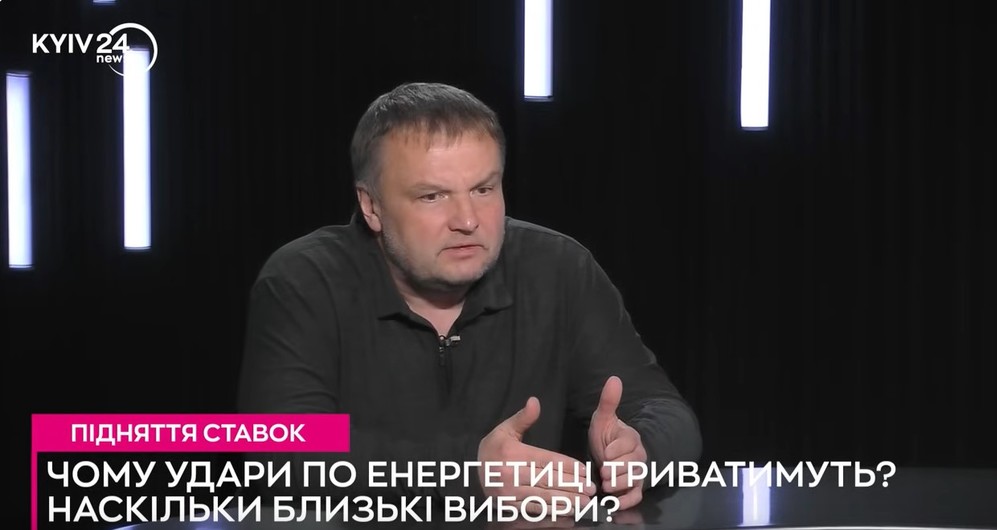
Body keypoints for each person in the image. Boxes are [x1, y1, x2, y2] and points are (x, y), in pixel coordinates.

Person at [236, 82, 701, 512]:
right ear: (371, 206)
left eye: (483, 189)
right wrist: (469, 472)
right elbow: (274, 449)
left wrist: (641, 450)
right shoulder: (304, 279)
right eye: (432, 196)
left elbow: (669, 414)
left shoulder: (558, 268)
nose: (467, 220)